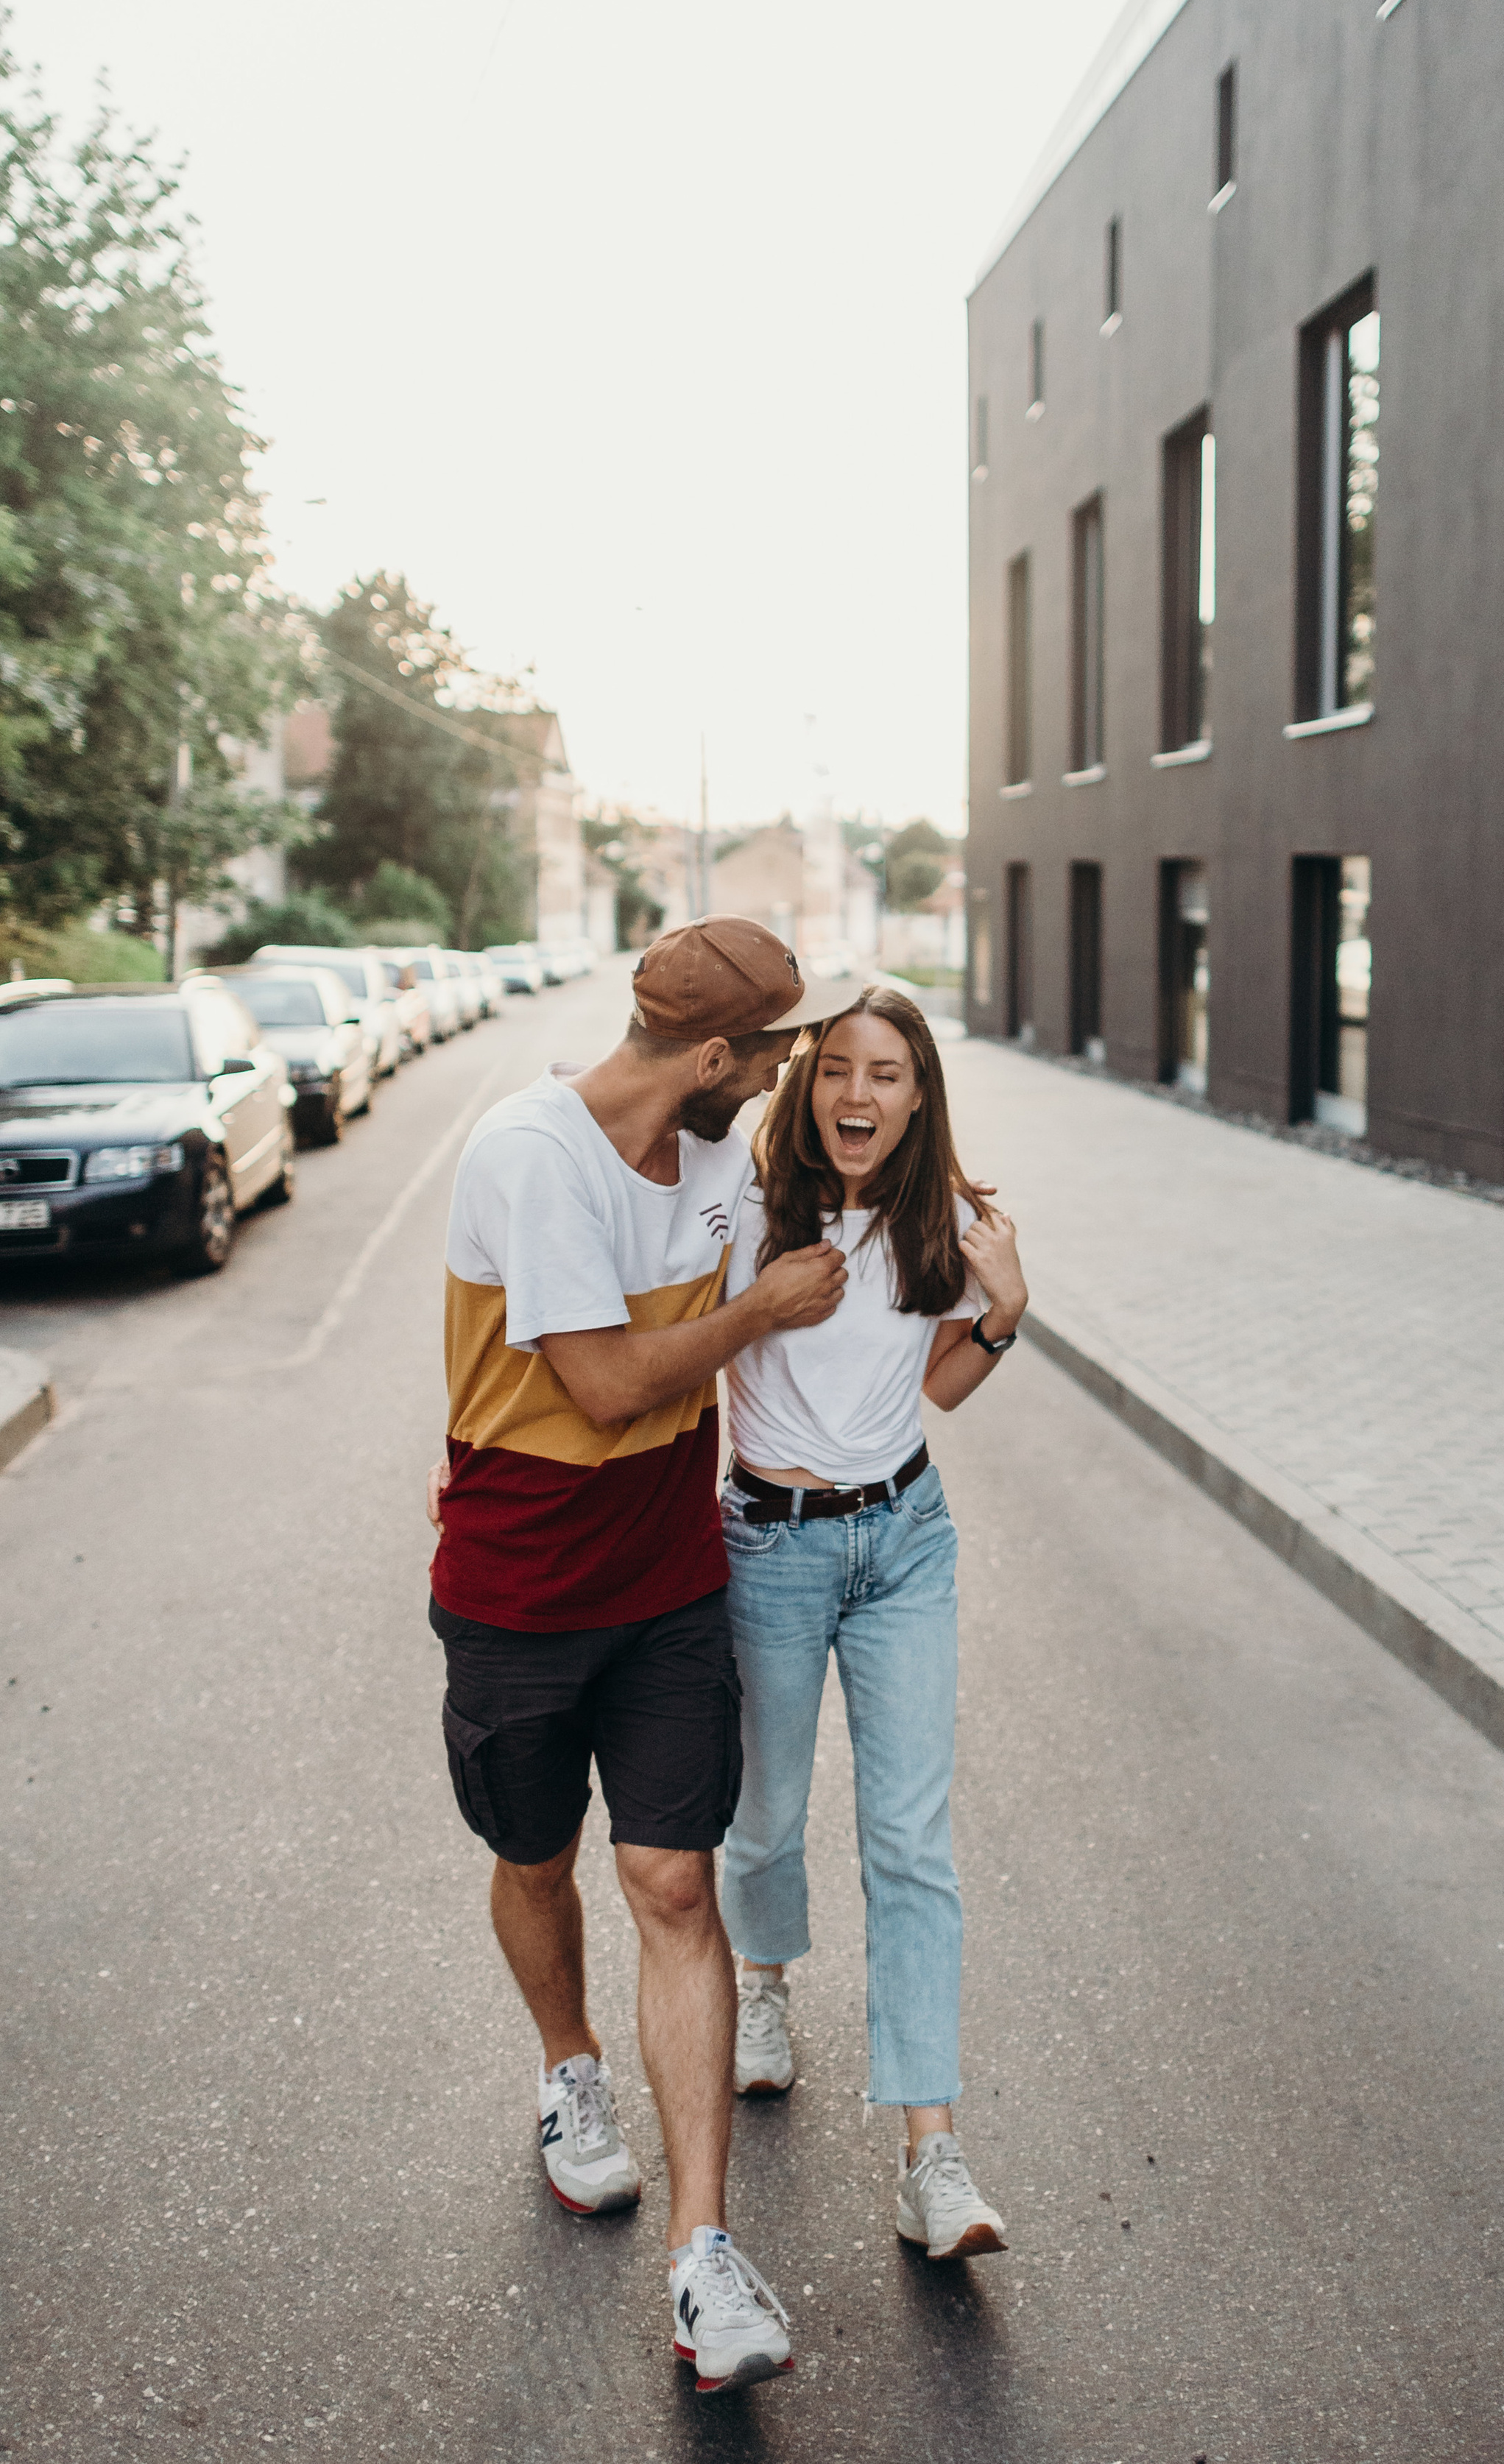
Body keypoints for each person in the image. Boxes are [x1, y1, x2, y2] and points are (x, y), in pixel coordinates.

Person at [424, 917, 858, 2396]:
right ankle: (568, 2072)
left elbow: (826, 1240)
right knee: (534, 1856)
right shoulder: (529, 1157)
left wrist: (950, 1245)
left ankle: (702, 2258)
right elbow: (604, 1385)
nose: (791, 1073)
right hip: (518, 1587)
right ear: (716, 1057)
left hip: (673, 1583)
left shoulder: (724, 1164)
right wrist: (754, 1308)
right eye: (784, 1049)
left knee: (672, 1881)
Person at [716, 984, 1029, 2262]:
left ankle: (931, 2153)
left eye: (886, 1073)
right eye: (837, 1068)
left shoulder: (943, 1216)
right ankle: (765, 1980)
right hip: (771, 1547)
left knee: (910, 1839)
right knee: (767, 1812)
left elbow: (943, 1385)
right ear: (805, 1084)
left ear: (919, 1091)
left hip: (905, 1538)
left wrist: (1004, 1310)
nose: (858, 1095)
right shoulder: (741, 1213)